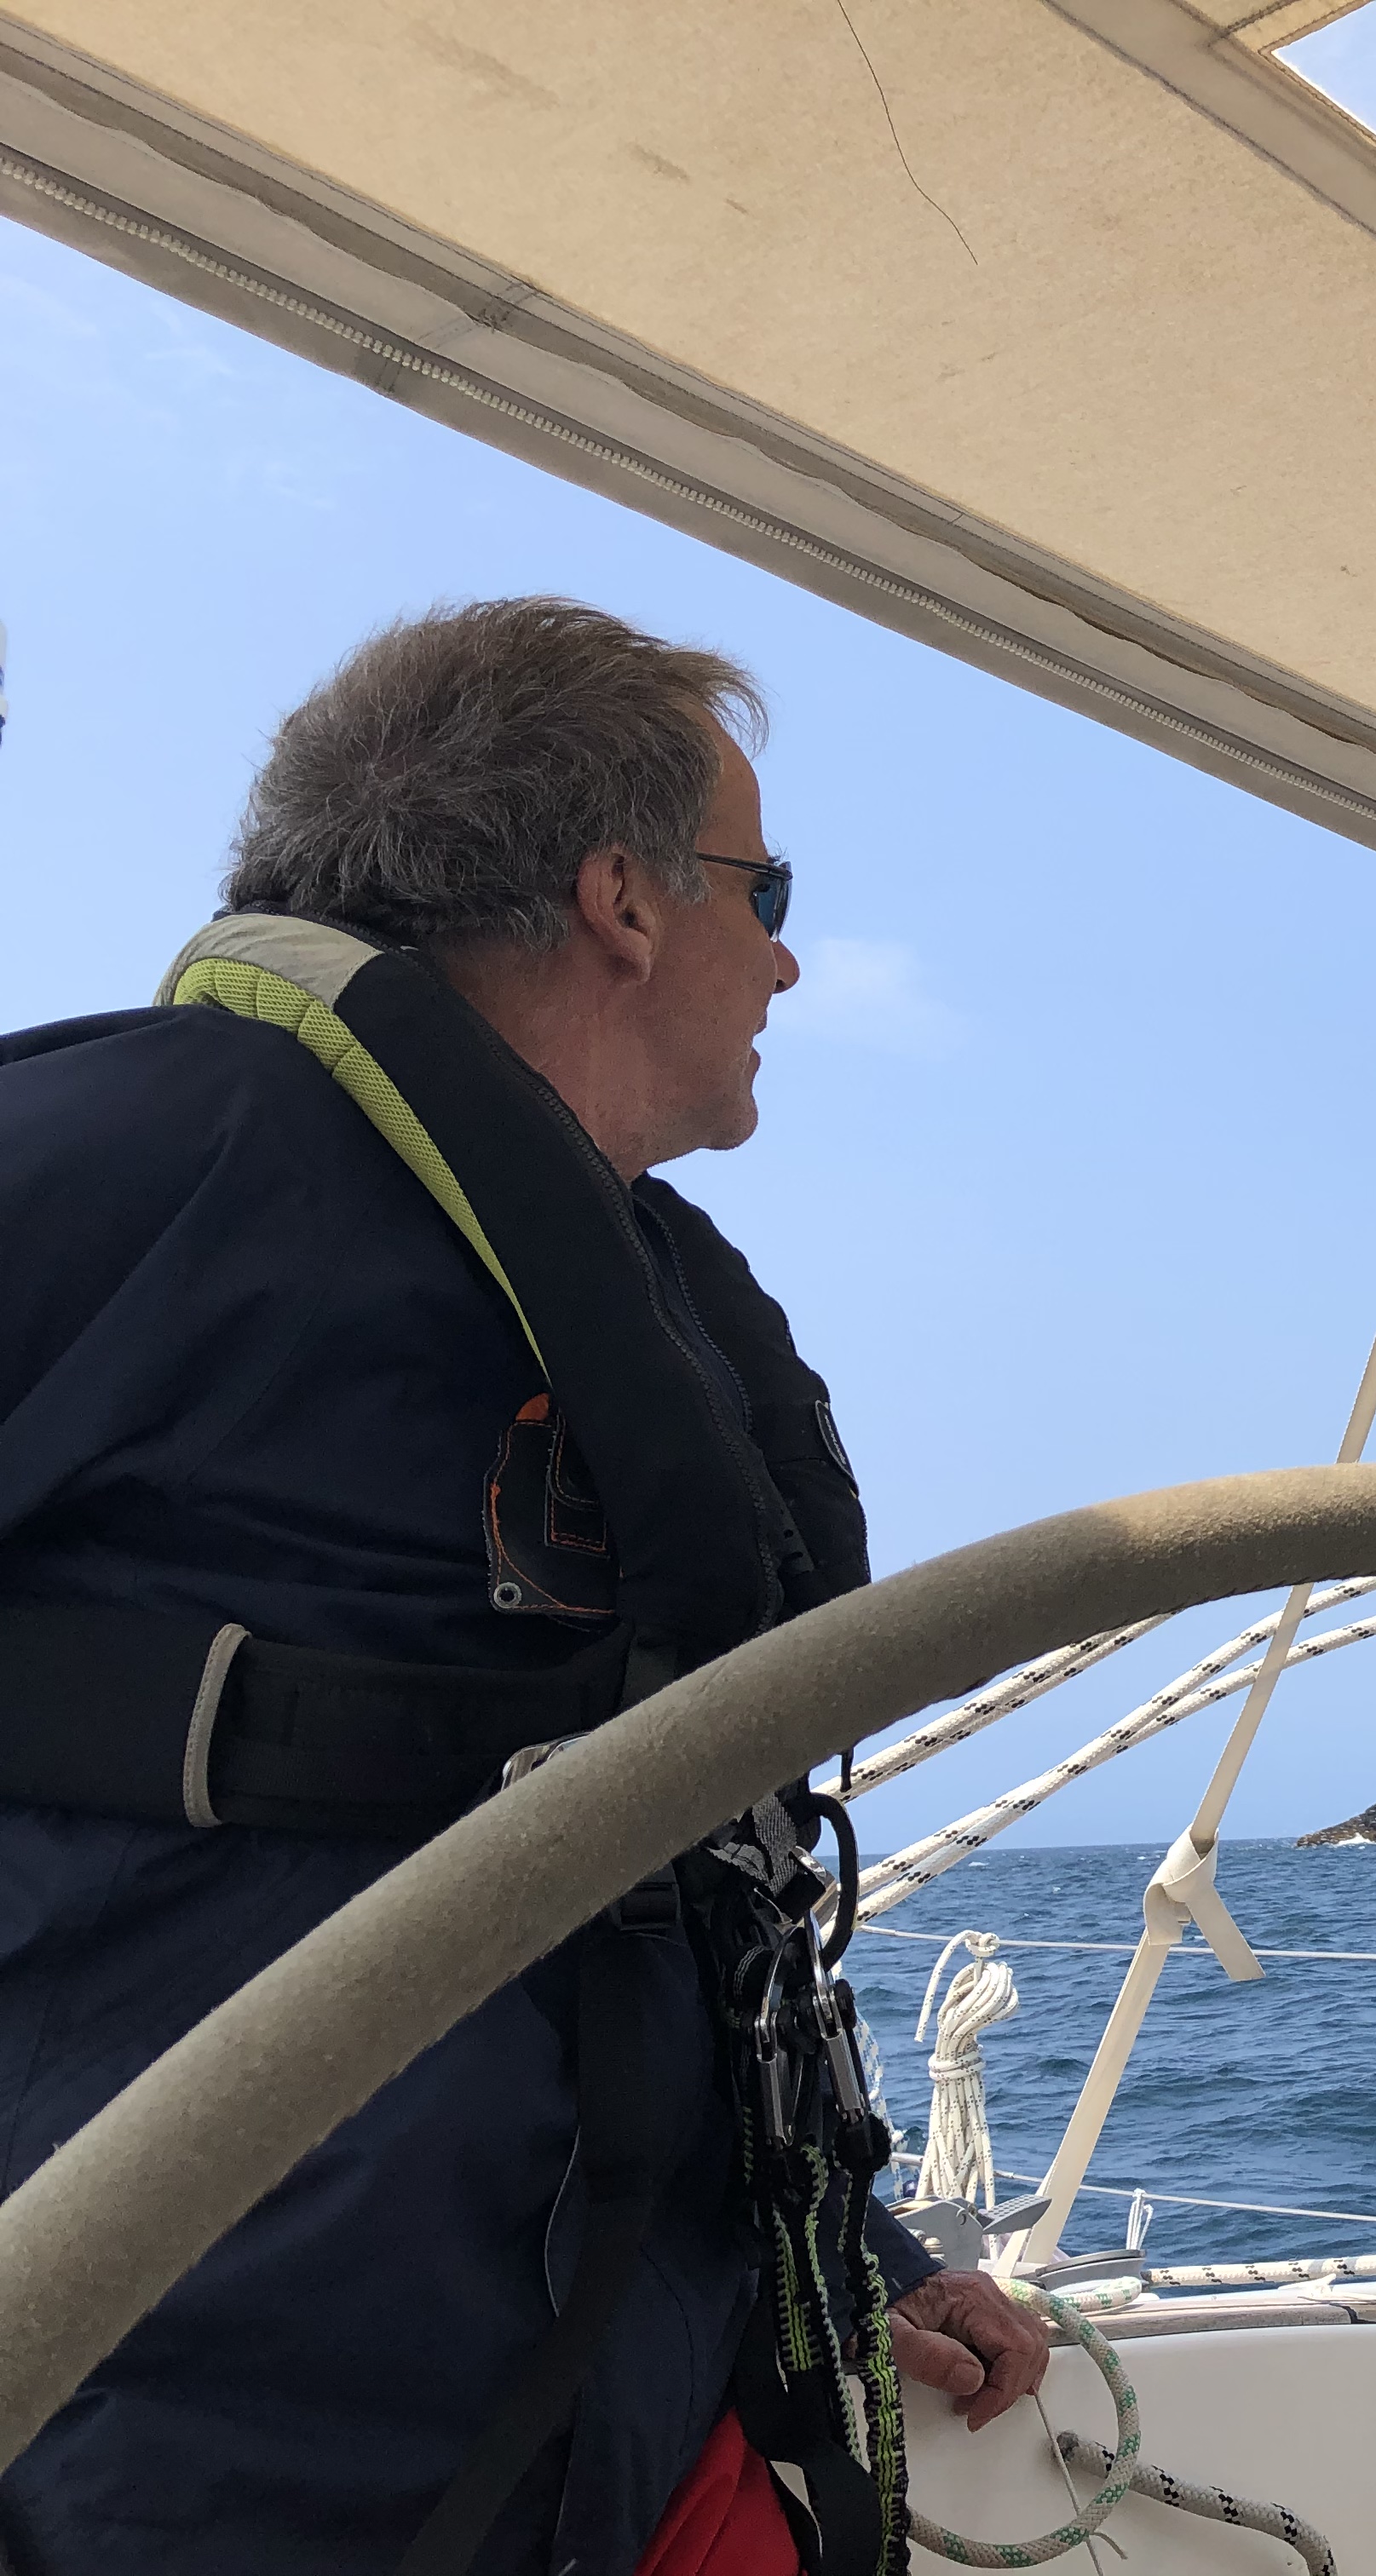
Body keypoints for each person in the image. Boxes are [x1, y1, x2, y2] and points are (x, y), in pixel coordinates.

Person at [0, 600, 1046, 2574]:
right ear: (622, 899)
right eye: (765, 891)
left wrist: (856, 2241)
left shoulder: (641, 1296)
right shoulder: (128, 1159)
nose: (790, 957)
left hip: (636, 2408)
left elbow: (672, 1869)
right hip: (210, 2468)